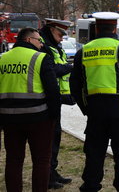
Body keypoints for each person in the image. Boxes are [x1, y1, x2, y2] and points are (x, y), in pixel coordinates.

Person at [69, 12, 119, 192]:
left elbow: (75, 85)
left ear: (96, 28)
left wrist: (85, 108)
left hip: (95, 112)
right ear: (115, 28)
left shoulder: (84, 51)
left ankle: (90, 186)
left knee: (94, 153)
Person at [0, 27, 60, 192]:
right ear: (28, 40)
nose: (41, 44)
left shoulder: (2, 59)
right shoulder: (41, 58)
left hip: (9, 118)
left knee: (13, 160)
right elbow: (53, 91)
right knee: (41, 160)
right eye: (38, 41)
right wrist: (53, 117)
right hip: (39, 118)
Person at [39, 18, 74, 189]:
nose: (61, 38)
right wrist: (71, 67)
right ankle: (49, 176)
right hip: (48, 100)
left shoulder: (54, 46)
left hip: (57, 98)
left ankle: (52, 172)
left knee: (56, 137)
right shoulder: (44, 47)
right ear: (51, 29)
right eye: (60, 34)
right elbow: (53, 70)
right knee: (51, 139)